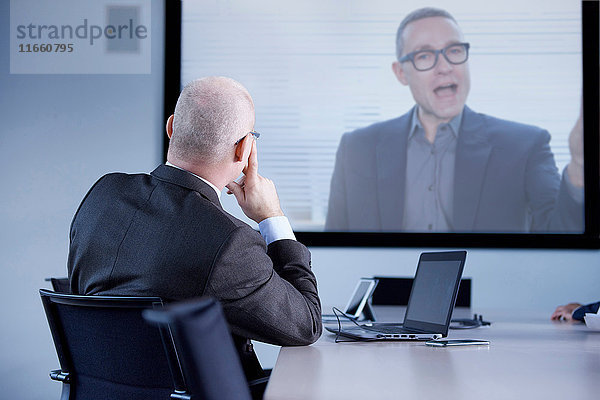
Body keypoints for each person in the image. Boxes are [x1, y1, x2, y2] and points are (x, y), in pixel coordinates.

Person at [67, 77, 322, 393]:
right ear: (244, 148)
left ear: (171, 127)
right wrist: (272, 218)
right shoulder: (230, 243)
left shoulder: (103, 195)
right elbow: (305, 325)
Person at [325, 7, 584, 233]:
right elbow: (333, 255)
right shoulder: (356, 149)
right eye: (424, 56)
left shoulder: (526, 146)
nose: (445, 66)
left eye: (454, 50)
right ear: (401, 72)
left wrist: (580, 164)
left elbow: (560, 234)